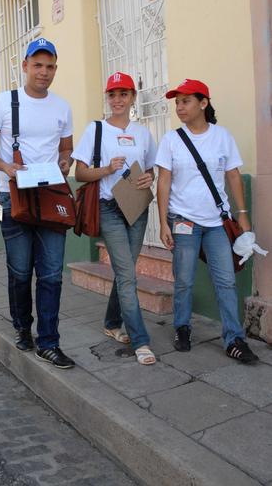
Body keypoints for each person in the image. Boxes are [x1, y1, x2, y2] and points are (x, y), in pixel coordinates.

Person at [0, 38, 75, 369]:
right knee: (20, 273)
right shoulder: (4, 102)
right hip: (13, 195)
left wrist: (65, 162)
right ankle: (22, 327)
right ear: (25, 66)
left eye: (49, 66)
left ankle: (49, 341)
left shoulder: (62, 107)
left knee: (51, 275)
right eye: (37, 65)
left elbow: (65, 149)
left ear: (55, 69)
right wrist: (6, 168)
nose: (43, 72)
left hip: (50, 197)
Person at [156, 78, 258, 363]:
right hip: (183, 220)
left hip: (216, 223)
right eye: (177, 102)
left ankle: (234, 338)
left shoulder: (222, 136)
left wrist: (243, 215)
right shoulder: (171, 140)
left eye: (186, 101)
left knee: (226, 281)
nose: (180, 107)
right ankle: (182, 328)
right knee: (185, 281)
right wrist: (163, 222)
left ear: (203, 103)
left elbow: (233, 175)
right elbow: (164, 182)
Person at [72, 72, 157, 365]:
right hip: (108, 207)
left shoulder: (144, 133)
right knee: (127, 274)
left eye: (123, 94)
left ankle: (111, 322)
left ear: (133, 97)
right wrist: (107, 169)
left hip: (136, 206)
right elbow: (80, 173)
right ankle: (141, 340)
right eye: (112, 94)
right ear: (106, 98)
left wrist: (148, 178)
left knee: (125, 272)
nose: (117, 100)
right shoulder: (95, 130)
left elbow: (151, 170)